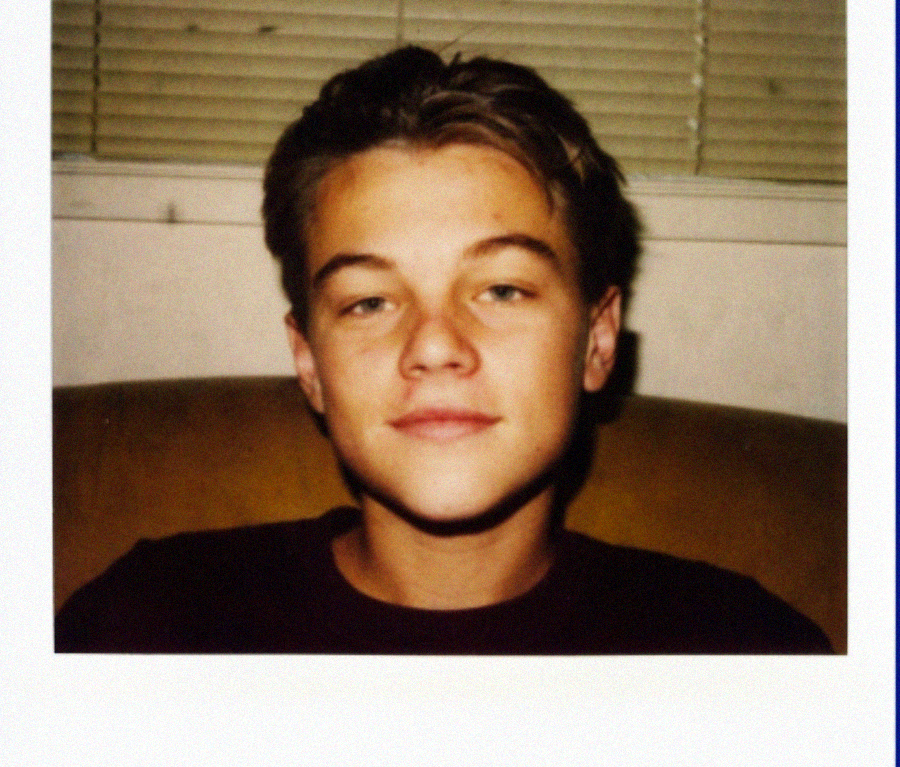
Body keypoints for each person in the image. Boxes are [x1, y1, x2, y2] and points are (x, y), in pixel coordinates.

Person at [55, 46, 832, 654]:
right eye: (368, 302)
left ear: (597, 340)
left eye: (502, 289)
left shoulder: (740, 646)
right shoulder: (148, 621)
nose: (432, 346)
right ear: (309, 364)